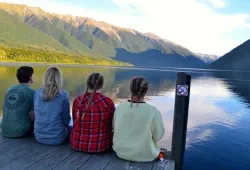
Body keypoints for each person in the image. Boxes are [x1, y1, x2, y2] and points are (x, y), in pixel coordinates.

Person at [112, 77, 165, 162]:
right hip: (145, 155)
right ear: (146, 90)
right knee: (158, 150)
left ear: (131, 90)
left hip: (121, 152)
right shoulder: (152, 111)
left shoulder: (120, 107)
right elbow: (158, 135)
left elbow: (115, 128)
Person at [70, 73, 115, 153]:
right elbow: (112, 123)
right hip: (100, 145)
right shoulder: (107, 102)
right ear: (102, 85)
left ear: (87, 84)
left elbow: (74, 121)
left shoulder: (77, 100)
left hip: (77, 143)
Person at [33, 67, 70, 145]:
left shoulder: (37, 93)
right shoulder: (63, 95)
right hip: (57, 138)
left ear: (45, 78)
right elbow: (66, 121)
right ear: (59, 79)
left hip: (39, 136)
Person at [1, 66, 35, 137]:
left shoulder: (9, 89)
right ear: (30, 77)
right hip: (20, 131)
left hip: (4, 128)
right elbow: (33, 118)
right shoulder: (32, 92)